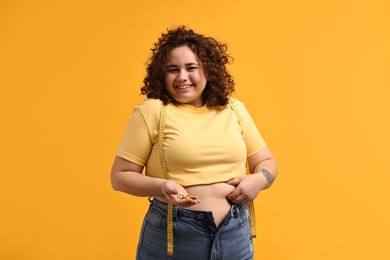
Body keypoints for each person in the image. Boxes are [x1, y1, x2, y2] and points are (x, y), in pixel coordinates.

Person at [110, 26, 278, 260]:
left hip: (234, 231)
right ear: (162, 74)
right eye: (172, 70)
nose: (182, 77)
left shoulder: (234, 109)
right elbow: (119, 176)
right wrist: (161, 187)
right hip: (176, 234)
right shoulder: (152, 111)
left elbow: (267, 161)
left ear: (208, 71)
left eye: (191, 68)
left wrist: (259, 180)